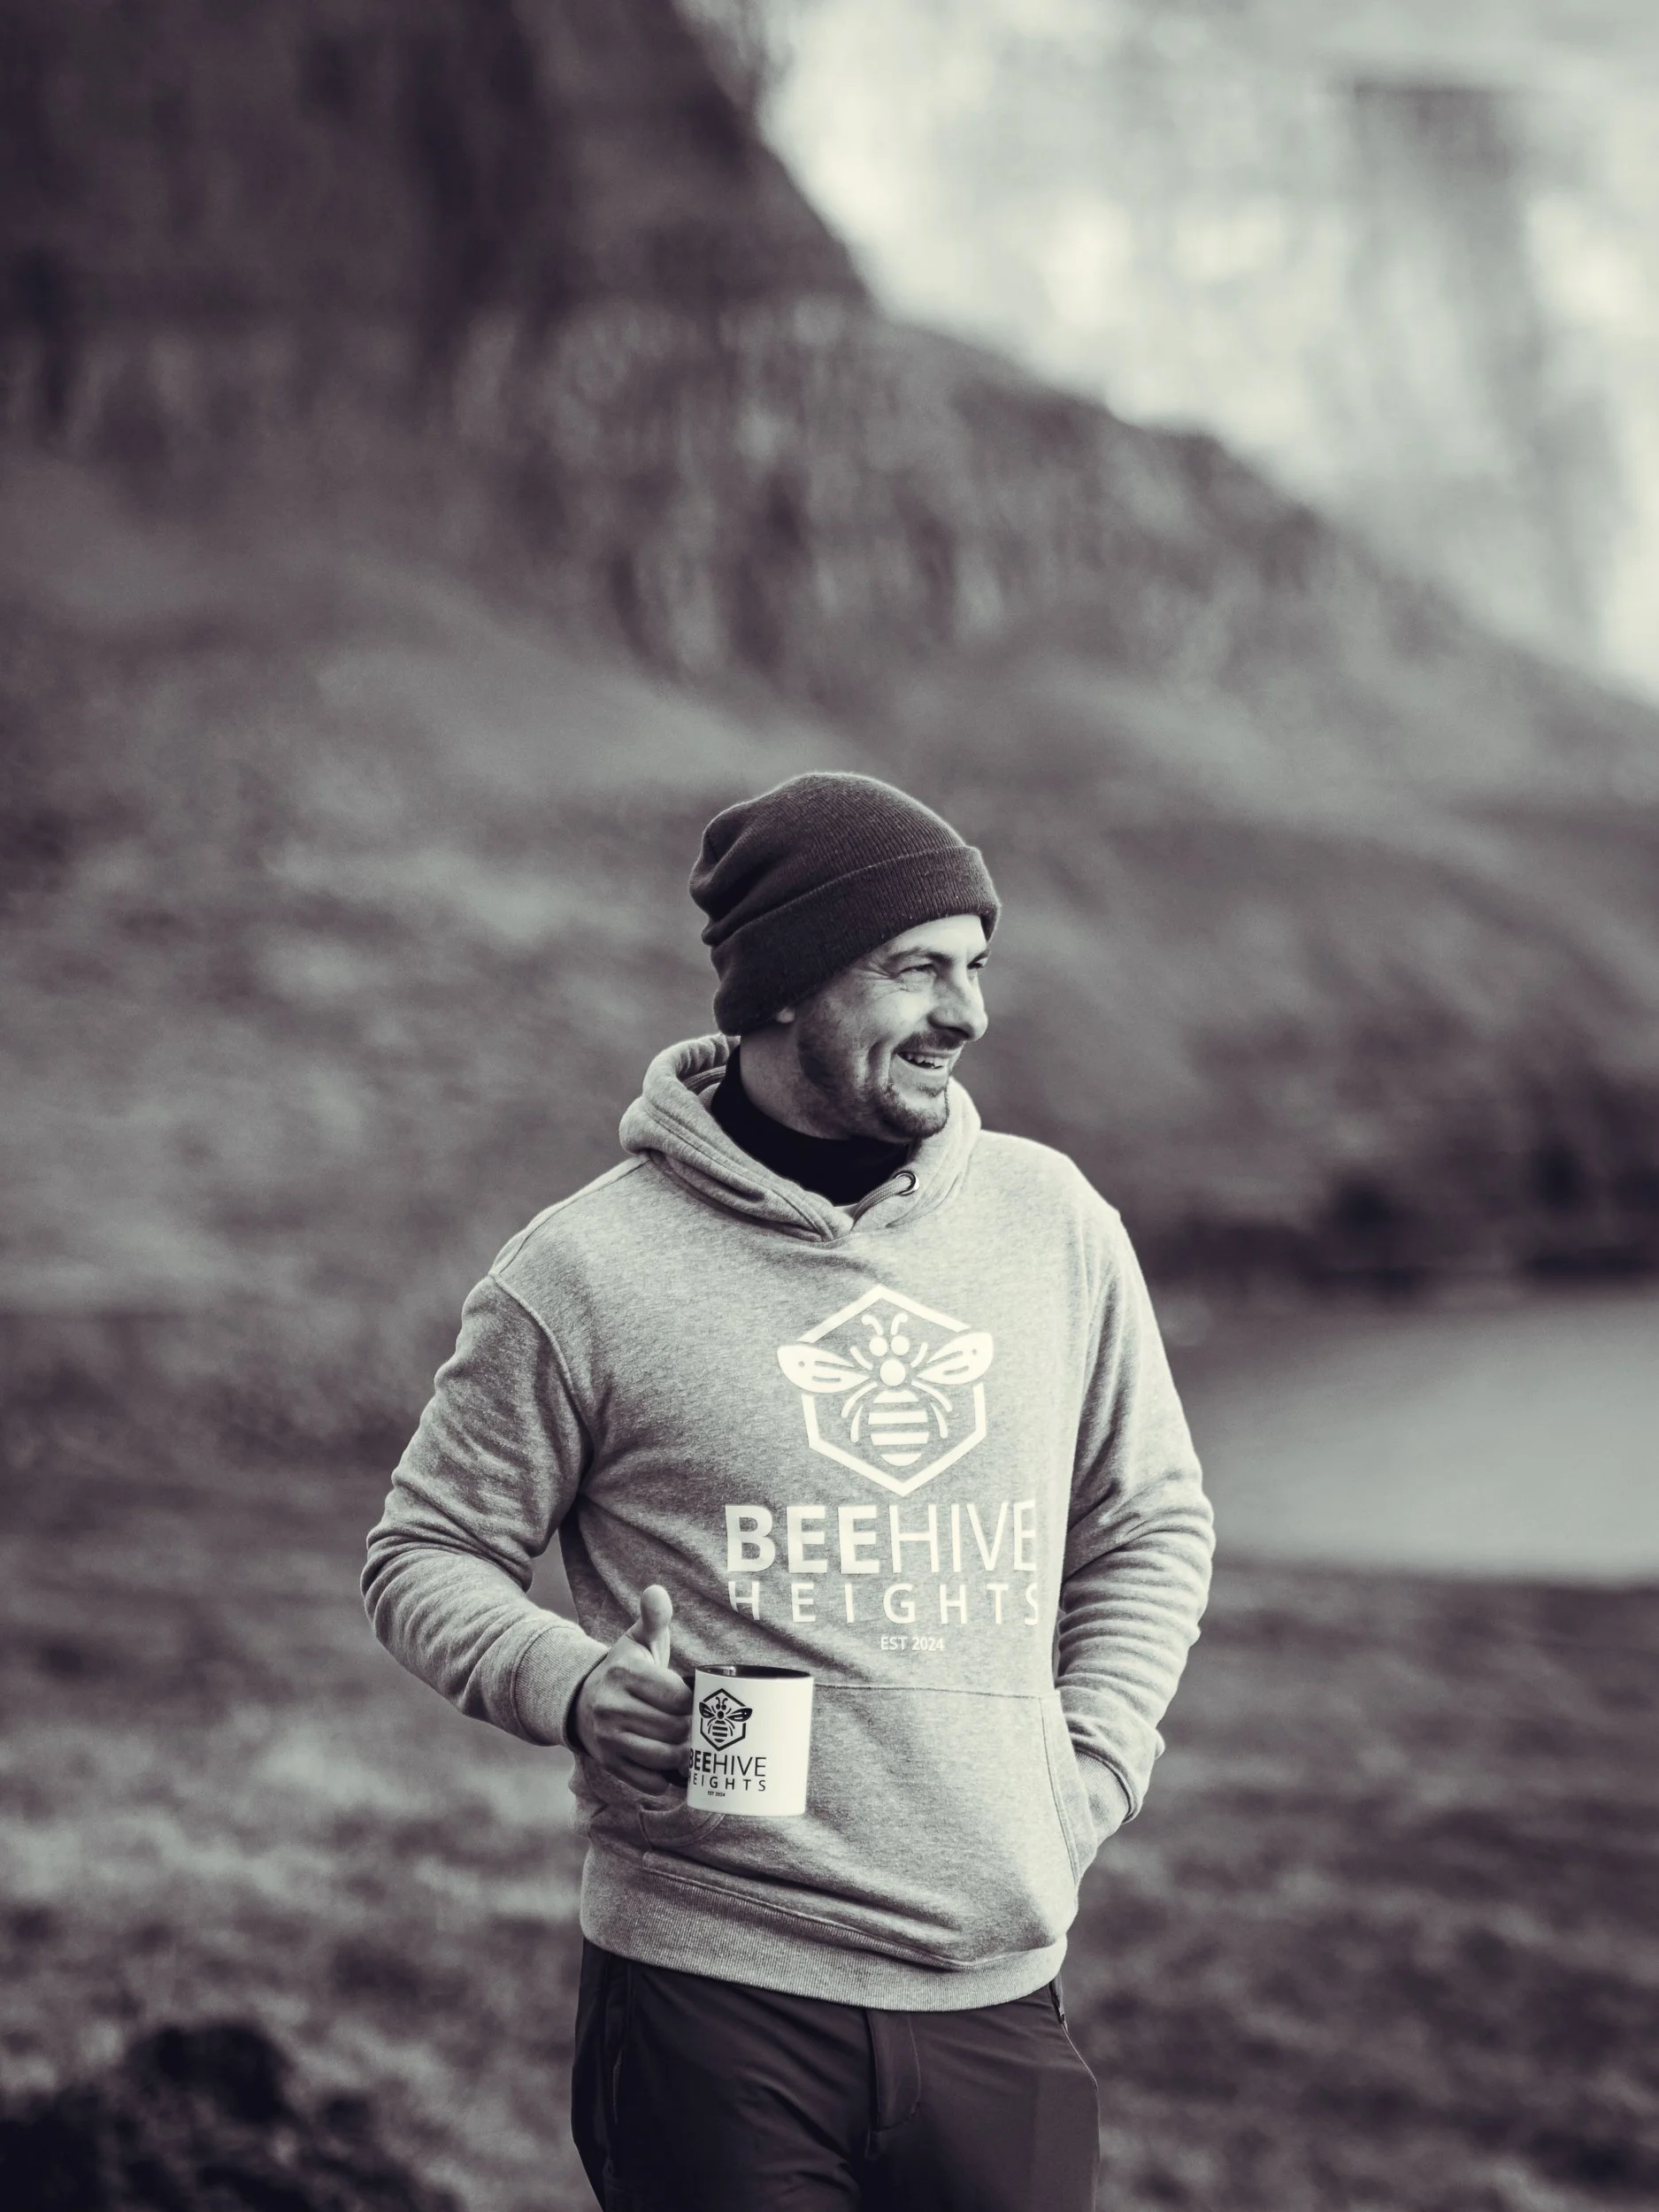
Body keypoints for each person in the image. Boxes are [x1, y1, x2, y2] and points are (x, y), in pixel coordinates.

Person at [364, 772, 1214, 2211]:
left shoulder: (1052, 1224)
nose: (968, 1013)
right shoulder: (584, 1273)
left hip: (1000, 2000)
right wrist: (570, 1686)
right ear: (780, 990)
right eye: (915, 969)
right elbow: (424, 1549)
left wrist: (1091, 1767)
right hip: (712, 1991)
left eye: (975, 967)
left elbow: (1147, 1519)